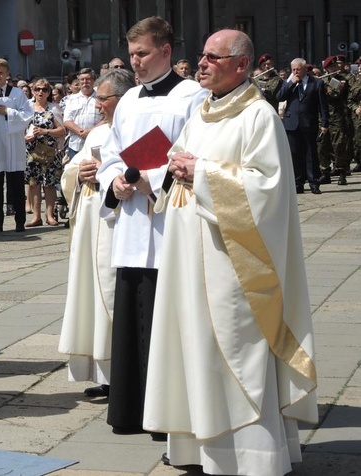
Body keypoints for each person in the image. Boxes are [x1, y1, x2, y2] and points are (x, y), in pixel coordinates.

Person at [143, 29, 317, 475]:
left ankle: (252, 456)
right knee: (193, 348)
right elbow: (176, 165)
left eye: (213, 57)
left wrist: (201, 174)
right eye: (200, 55)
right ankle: (193, 446)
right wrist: (163, 173)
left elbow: (269, 190)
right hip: (187, 256)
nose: (200, 63)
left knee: (236, 350)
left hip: (234, 262)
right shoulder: (200, 114)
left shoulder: (259, 117)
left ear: (242, 64)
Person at [96, 16, 208, 437]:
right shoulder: (127, 101)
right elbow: (111, 153)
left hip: (167, 223)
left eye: (142, 53)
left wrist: (152, 179)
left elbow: (194, 153)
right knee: (132, 315)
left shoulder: (192, 97)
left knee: (166, 318)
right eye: (131, 54)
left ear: (166, 51)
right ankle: (131, 408)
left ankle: (168, 413)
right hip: (131, 222)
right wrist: (116, 181)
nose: (135, 63)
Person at [59, 68, 135, 398]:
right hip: (89, 222)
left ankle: (123, 373)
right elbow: (71, 171)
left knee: (113, 296)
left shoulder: (135, 129)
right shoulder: (95, 134)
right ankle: (104, 376)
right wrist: (79, 172)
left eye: (103, 99)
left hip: (116, 224)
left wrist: (105, 177)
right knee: (93, 295)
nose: (98, 104)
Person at [0, 58, 33, 233]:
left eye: (2, 72)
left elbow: (27, 115)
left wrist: (8, 111)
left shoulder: (17, 93)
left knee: (16, 183)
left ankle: (19, 220)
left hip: (12, 143)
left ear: (7, 74)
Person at [276, 58, 329, 194]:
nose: (295, 72)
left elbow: (323, 105)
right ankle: (298, 183)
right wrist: (290, 84)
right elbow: (279, 97)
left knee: (311, 153)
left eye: (298, 69)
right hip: (292, 123)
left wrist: (324, 123)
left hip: (308, 123)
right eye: (293, 70)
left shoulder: (316, 83)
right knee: (294, 154)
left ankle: (313, 182)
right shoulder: (289, 82)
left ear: (305, 69)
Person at [24, 78, 65, 227]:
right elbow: (20, 128)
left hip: (49, 152)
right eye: (37, 89)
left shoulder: (54, 108)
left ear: (49, 92)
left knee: (49, 184)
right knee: (34, 184)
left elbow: (62, 130)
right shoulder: (27, 107)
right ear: (33, 91)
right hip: (31, 151)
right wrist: (25, 137)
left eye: (44, 89)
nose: (41, 92)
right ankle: (36, 216)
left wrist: (45, 131)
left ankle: (49, 215)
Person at [318, 55, 353, 186]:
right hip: (323, 117)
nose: (333, 68)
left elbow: (335, 94)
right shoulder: (320, 81)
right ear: (326, 69)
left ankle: (342, 172)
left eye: (334, 66)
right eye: (330, 67)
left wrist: (326, 88)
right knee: (322, 146)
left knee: (339, 145)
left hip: (337, 117)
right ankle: (325, 172)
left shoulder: (341, 80)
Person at [63, 68, 102, 158]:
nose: (85, 82)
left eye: (88, 79)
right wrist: (81, 132)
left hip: (96, 144)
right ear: (79, 81)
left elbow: (106, 118)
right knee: (75, 171)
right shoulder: (71, 99)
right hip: (75, 146)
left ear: (94, 80)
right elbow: (67, 120)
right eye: (82, 79)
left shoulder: (100, 97)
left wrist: (90, 132)